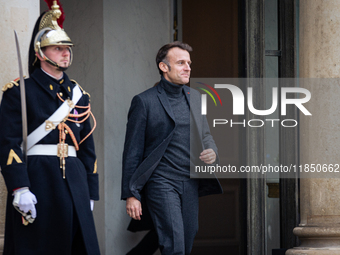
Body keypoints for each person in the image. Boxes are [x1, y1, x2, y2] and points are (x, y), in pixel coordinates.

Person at [0, 1, 100, 254]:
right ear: (40, 52)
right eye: (57, 48)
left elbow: (87, 146)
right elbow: (9, 142)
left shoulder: (79, 95)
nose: (65, 53)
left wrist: (91, 189)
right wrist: (19, 187)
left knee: (77, 246)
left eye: (67, 48)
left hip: (75, 179)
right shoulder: (20, 92)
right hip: (39, 178)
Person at [121, 41, 222, 255]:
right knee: (174, 244)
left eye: (189, 63)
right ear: (163, 67)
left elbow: (206, 136)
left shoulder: (195, 98)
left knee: (188, 236)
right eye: (181, 63)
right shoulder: (144, 101)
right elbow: (132, 151)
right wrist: (131, 194)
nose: (188, 68)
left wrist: (212, 152)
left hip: (190, 181)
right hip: (161, 181)